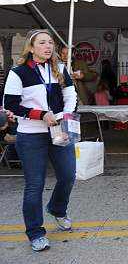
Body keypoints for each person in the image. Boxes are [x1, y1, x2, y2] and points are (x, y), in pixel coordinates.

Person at [3, 29, 77, 251]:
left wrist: (65, 116)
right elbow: (11, 105)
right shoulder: (18, 73)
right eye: (42, 42)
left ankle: (57, 209)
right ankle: (35, 233)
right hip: (31, 134)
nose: (48, 46)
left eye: (51, 43)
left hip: (59, 131)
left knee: (68, 175)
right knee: (35, 185)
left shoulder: (60, 68)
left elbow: (71, 95)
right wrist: (40, 115)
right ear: (31, 47)